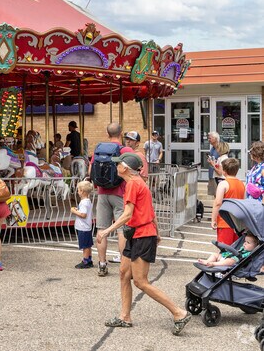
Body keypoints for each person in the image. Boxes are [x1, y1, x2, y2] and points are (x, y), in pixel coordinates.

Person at [96, 152, 191, 335]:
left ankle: (179, 313)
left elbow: (128, 214)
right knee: (124, 274)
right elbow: (149, 208)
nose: (116, 167)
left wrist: (107, 230)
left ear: (126, 168)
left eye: (118, 164)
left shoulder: (132, 183)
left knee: (140, 281)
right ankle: (125, 317)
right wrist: (156, 230)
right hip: (138, 234)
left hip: (141, 235)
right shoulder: (138, 183)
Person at [89, 122, 132, 275]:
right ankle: (124, 266)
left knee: (102, 229)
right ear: (121, 134)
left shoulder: (99, 150)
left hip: (102, 192)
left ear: (107, 134)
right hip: (120, 194)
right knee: (122, 230)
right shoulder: (125, 150)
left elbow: (91, 171)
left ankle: (101, 264)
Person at [212, 158, 244, 245]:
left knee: (224, 250)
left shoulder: (223, 184)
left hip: (225, 221)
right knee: (235, 249)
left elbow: (218, 203)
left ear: (224, 171)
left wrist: (213, 219)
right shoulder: (241, 184)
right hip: (238, 222)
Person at [71, 180, 94, 269]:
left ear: (82, 191)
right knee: (87, 244)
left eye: (78, 190)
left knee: (85, 245)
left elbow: (83, 215)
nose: (78, 192)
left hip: (83, 227)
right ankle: (89, 259)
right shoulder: (87, 201)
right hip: (86, 226)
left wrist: (74, 211)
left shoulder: (84, 202)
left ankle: (86, 260)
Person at [206, 132, 221, 196]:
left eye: (210, 138)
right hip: (212, 174)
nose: (208, 140)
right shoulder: (212, 148)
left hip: (218, 175)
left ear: (215, 139)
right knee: (214, 194)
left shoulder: (220, 148)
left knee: (218, 194)